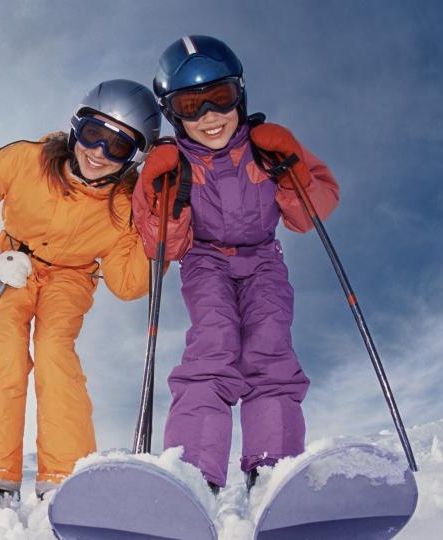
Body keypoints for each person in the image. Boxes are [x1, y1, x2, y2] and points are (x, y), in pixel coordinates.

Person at [0, 79, 175, 500]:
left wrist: (156, 227)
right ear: (75, 127)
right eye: (93, 134)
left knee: (54, 352)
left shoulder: (123, 208)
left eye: (118, 146)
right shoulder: (27, 161)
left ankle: (66, 477)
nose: (98, 153)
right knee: (8, 351)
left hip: (70, 277)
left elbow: (127, 284)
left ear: (134, 158)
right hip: (15, 263)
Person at [132, 35, 340, 493]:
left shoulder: (265, 146)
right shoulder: (175, 163)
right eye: (191, 104)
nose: (209, 116)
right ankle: (194, 476)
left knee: (270, 351)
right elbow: (161, 247)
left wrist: (293, 171)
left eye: (219, 98)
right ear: (173, 113)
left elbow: (309, 215)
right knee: (213, 346)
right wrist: (159, 195)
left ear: (239, 94)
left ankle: (272, 469)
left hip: (264, 258)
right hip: (205, 260)